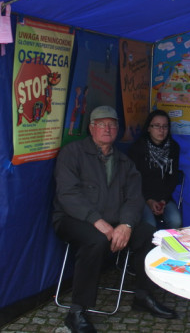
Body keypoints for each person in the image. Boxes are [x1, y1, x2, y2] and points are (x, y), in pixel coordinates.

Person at [53, 105, 177, 333]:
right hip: (73, 219)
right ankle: (77, 311)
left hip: (114, 222)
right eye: (102, 124)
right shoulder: (73, 153)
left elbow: (134, 197)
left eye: (112, 124)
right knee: (96, 240)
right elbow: (68, 195)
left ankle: (143, 294)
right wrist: (97, 221)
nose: (107, 129)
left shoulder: (124, 162)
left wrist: (126, 224)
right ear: (91, 128)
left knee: (150, 235)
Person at [127, 110, 182, 230]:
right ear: (148, 128)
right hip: (141, 197)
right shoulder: (138, 148)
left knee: (176, 221)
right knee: (150, 226)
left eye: (165, 126)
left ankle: (170, 248)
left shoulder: (173, 148)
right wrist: (148, 200)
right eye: (156, 126)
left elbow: (173, 179)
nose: (161, 130)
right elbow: (133, 181)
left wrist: (163, 200)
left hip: (164, 198)